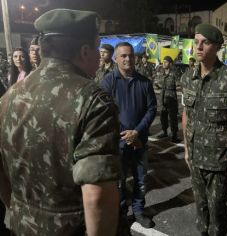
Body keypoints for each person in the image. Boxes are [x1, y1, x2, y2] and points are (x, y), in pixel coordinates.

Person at [0, 9, 121, 236]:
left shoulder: (9, 96)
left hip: (21, 226)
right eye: (97, 47)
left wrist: (20, 211)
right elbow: (97, 195)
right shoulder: (93, 100)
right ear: (85, 51)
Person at [181, 23, 227, 236]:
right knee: (200, 211)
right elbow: (187, 115)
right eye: (196, 42)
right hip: (195, 159)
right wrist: (187, 149)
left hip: (219, 162)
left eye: (205, 42)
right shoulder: (188, 78)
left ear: (217, 47)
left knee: (217, 213)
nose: (199, 46)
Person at [100, 42, 157, 228]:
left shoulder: (144, 82)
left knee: (141, 179)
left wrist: (137, 132)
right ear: (116, 58)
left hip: (140, 142)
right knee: (120, 181)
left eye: (130, 55)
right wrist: (126, 134)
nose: (127, 59)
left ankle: (139, 211)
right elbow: (104, 112)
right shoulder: (108, 82)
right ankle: (122, 212)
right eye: (123, 55)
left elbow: (151, 109)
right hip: (118, 143)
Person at [156, 56, 180, 143]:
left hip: (171, 98)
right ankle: (164, 131)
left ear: (170, 64)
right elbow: (157, 83)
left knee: (173, 118)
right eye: (163, 62)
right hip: (162, 98)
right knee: (163, 116)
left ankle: (174, 134)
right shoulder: (161, 73)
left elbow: (178, 85)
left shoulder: (174, 73)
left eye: (166, 62)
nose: (164, 64)